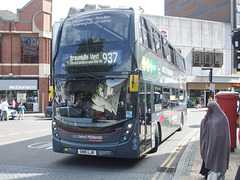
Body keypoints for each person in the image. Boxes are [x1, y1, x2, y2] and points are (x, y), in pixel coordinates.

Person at [199, 101, 230, 180]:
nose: (209, 110)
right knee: (210, 160)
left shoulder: (223, 118)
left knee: (219, 162)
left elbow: (225, 133)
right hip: (210, 144)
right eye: (208, 108)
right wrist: (206, 116)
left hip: (220, 145)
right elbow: (203, 125)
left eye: (210, 108)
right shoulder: (208, 117)